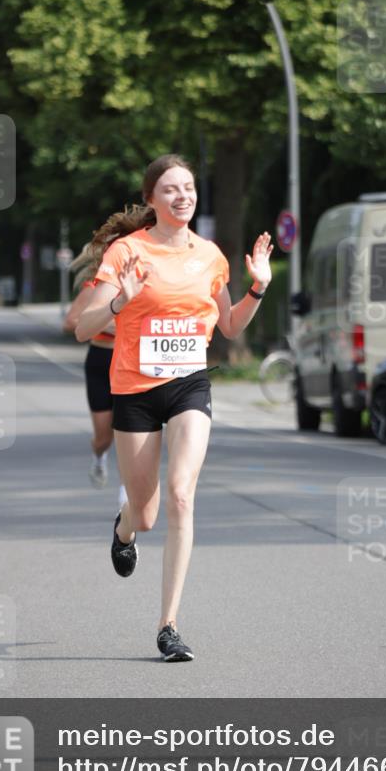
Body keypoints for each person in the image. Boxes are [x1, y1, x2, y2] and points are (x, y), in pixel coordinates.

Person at [75, 154, 273, 661]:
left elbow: (229, 328)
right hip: (134, 389)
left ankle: (168, 626)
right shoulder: (125, 252)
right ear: (151, 199)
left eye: (188, 188)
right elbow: (82, 326)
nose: (182, 196)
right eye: (170, 189)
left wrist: (258, 287)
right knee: (146, 513)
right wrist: (120, 301)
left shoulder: (211, 256)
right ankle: (123, 528)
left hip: (188, 385)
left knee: (182, 495)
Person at [64, 254, 127, 506]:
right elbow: (70, 322)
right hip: (101, 360)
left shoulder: (146, 285)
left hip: (129, 362)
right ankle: (99, 457)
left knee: (127, 429)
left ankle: (126, 491)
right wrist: (104, 324)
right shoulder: (93, 288)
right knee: (104, 436)